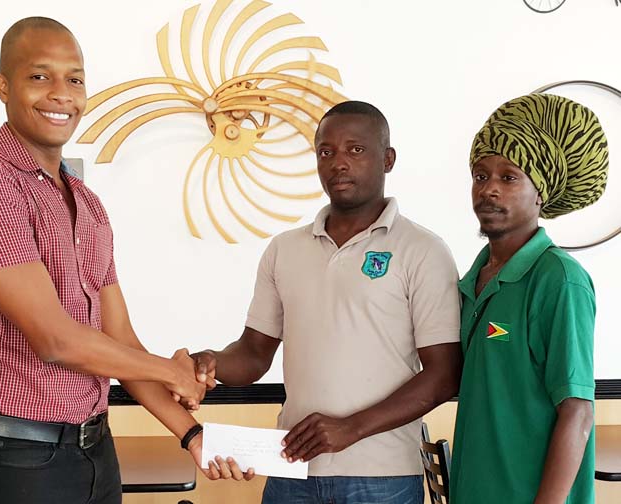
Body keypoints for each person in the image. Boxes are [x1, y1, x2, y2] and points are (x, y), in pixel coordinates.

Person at [0, 17, 250, 504]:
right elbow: (57, 340)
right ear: (3, 86)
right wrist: (172, 371)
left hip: (94, 453)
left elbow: (118, 340)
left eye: (74, 79)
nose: (61, 94)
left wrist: (192, 435)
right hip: (13, 457)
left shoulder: (86, 202)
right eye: (40, 76)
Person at [191, 100, 463, 503]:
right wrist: (210, 361)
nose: (338, 162)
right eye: (326, 151)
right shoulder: (284, 250)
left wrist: (350, 427)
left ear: (387, 159)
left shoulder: (423, 250)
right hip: (291, 468)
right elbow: (252, 355)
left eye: (356, 149)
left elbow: (444, 374)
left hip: (381, 478)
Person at [449, 93, 609, 503]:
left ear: (541, 193)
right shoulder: (474, 280)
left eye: (509, 177)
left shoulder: (559, 280)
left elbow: (578, 412)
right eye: (481, 176)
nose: (490, 190)